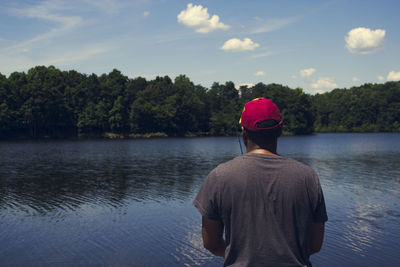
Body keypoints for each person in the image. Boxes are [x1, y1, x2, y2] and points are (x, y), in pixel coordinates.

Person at [193, 98, 328, 266]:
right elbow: (315, 245)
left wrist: (236, 255)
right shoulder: (308, 177)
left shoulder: (219, 176)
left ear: (244, 133)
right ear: (280, 131)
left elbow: (211, 243)